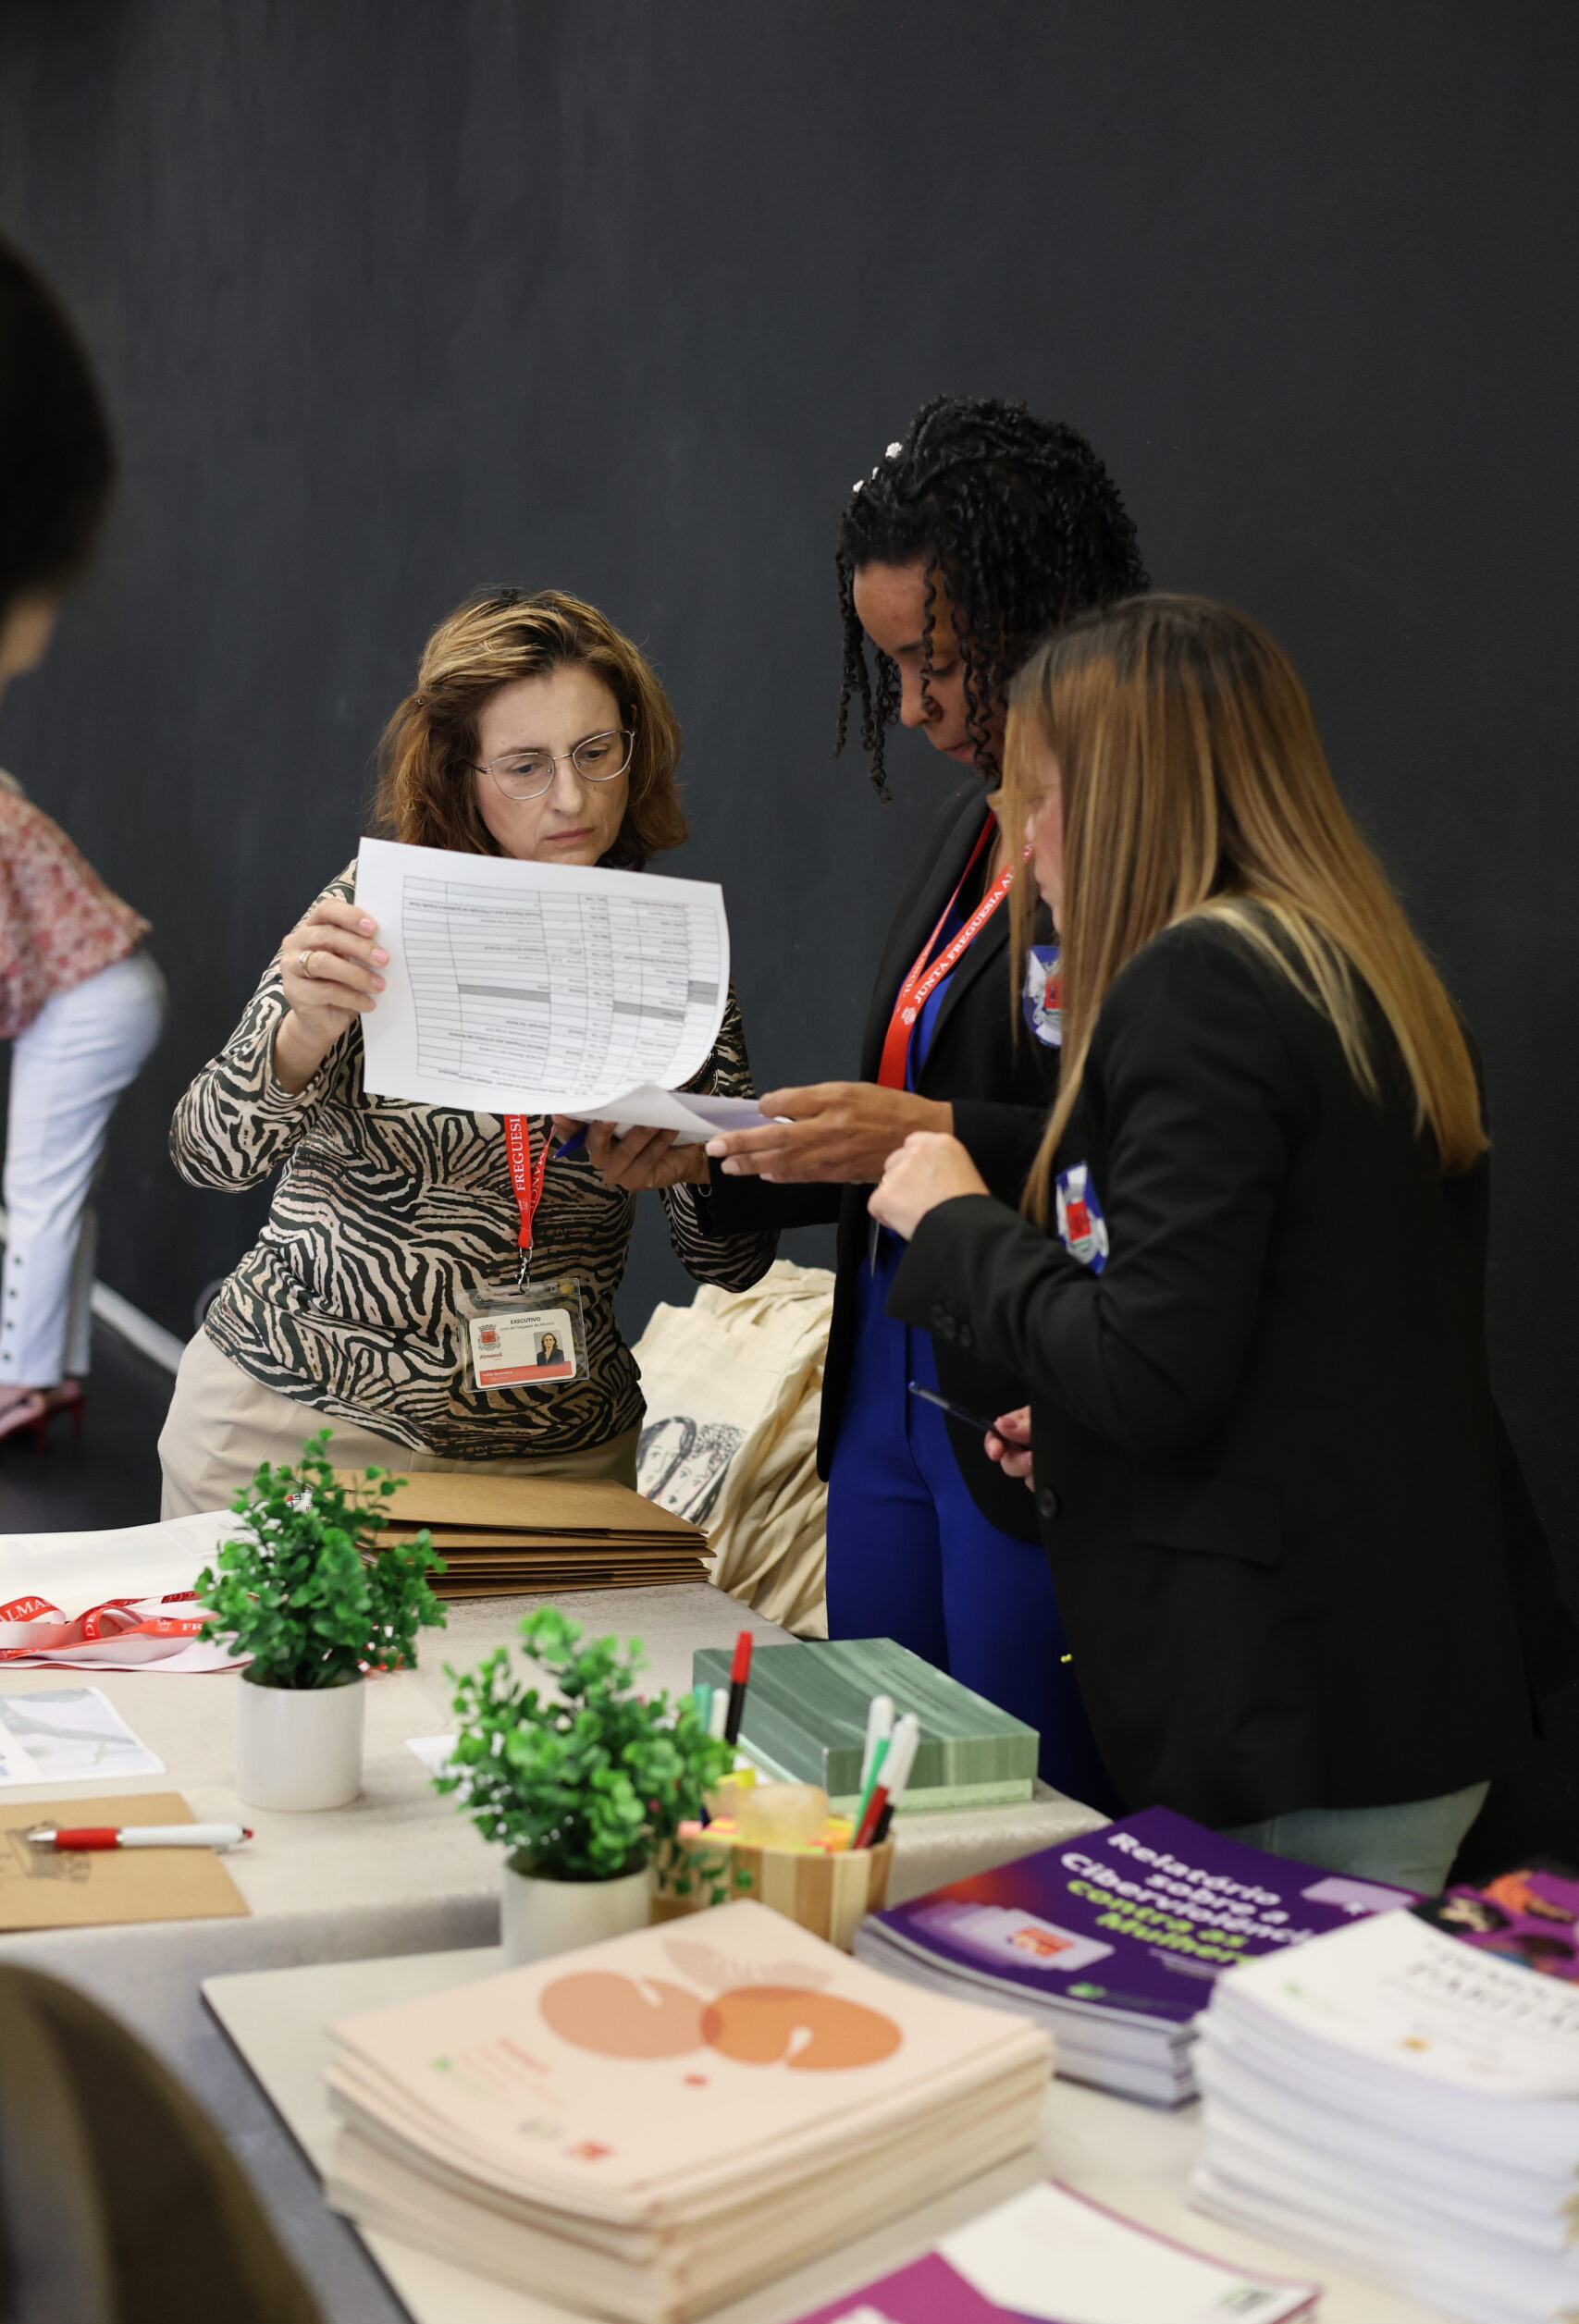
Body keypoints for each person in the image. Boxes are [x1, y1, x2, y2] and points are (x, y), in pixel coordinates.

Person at [870, 593, 1576, 1892]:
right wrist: (1079, 1429)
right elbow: (1291, 1346)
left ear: (1126, 796)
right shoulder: (1346, 967)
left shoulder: (1194, 986)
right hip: (1403, 1680)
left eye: (1040, 798)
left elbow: (1153, 1370)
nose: (1022, 840)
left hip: (1293, 1706)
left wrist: (955, 1218)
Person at [692, 398, 1146, 1803]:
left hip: (1022, 1406)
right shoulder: (975, 827)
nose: (910, 708)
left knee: (1024, 1830)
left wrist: (926, 1136)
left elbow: (1142, 1146)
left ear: (1042, 617)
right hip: (886, 1399)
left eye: (935, 664)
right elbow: (913, 1116)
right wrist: (728, 1152)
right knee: (873, 1816)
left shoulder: (1140, 837)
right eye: (890, 665)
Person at [158, 588, 775, 1514]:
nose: (570, 798)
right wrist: (300, 1035)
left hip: (558, 1453)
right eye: (525, 766)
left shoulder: (664, 949)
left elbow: (731, 1265)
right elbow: (209, 1156)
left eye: (596, 752)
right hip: (300, 1425)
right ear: (460, 774)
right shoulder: (376, 912)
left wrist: (695, 1164)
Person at [0, 235, 166, 1449]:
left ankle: (23, 1374)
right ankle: (46, 1366)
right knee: (50, 1181)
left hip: (96, 994)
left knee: (40, 1182)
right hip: (102, 989)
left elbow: (11, 958)